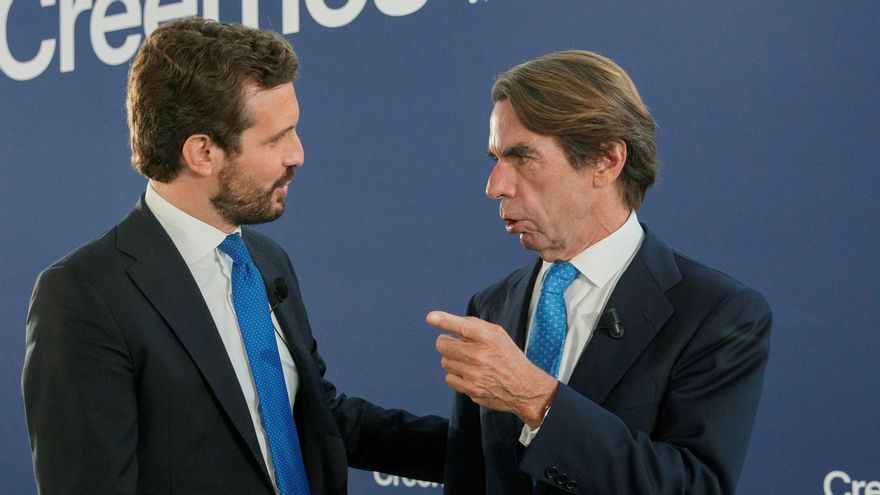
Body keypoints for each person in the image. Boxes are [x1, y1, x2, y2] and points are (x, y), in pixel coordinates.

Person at [22, 17, 445, 495]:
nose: (298, 154)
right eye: (275, 138)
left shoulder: (265, 261)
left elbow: (319, 417)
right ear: (202, 152)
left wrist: (496, 448)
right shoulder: (86, 294)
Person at [427, 50, 771, 494]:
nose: (495, 185)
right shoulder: (492, 306)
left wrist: (538, 400)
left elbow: (694, 487)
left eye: (521, 158)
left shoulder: (717, 313)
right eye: (495, 159)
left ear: (606, 160)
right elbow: (472, 471)